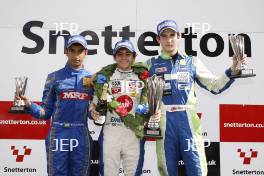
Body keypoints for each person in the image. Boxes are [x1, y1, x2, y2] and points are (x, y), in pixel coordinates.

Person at [144, 20, 247, 176]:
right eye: (164, 36)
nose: (169, 40)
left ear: (178, 36)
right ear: (158, 40)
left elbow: (215, 85)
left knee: (197, 170)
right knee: (166, 170)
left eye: (172, 35)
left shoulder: (192, 61)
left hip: (189, 125)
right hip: (164, 124)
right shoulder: (149, 65)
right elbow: (135, 91)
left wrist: (233, 69)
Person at [16, 35, 93, 176]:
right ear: (66, 51)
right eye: (72, 51)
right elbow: (45, 112)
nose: (76, 55)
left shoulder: (92, 79)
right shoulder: (54, 77)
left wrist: (96, 113)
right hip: (58, 133)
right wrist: (29, 105)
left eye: (80, 51)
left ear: (86, 53)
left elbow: (93, 111)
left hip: (81, 132)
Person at [90, 40, 149, 176]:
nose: (124, 57)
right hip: (111, 130)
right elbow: (96, 103)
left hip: (134, 132)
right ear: (114, 57)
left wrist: (153, 113)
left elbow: (149, 103)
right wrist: (93, 112)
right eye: (120, 54)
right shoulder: (105, 76)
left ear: (134, 56)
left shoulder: (143, 76)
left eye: (128, 54)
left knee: (133, 173)